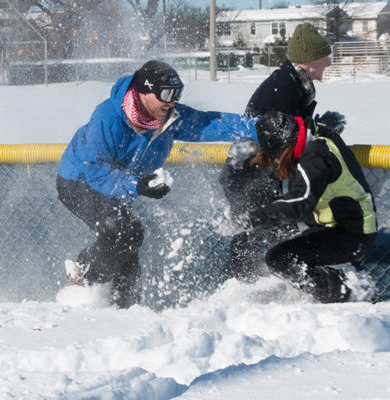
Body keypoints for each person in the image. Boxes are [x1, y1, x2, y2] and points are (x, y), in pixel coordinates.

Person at [57, 60, 258, 308]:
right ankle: (85, 275)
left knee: (128, 252)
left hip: (120, 185)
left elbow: (210, 124)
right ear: (144, 92)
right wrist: (137, 185)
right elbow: (96, 170)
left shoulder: (168, 118)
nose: (171, 101)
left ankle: (125, 312)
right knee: (126, 232)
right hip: (80, 182)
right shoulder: (108, 117)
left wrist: (258, 128)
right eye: (165, 94)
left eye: (176, 93)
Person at [219, 22, 334, 280]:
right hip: (247, 175)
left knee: (266, 229)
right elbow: (289, 137)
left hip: (260, 172)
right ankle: (243, 284)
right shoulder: (285, 87)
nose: (328, 62)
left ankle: (259, 280)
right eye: (325, 57)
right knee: (261, 230)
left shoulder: (295, 82)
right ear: (309, 60)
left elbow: (295, 130)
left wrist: (320, 126)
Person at [234, 111, 377, 303]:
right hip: (334, 226)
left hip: (353, 232)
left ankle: (347, 294)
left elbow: (300, 202)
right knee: (287, 252)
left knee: (280, 258)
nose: (277, 162)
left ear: (284, 147)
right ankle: (334, 287)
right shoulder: (309, 134)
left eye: (276, 157)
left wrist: (252, 219)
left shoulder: (316, 157)